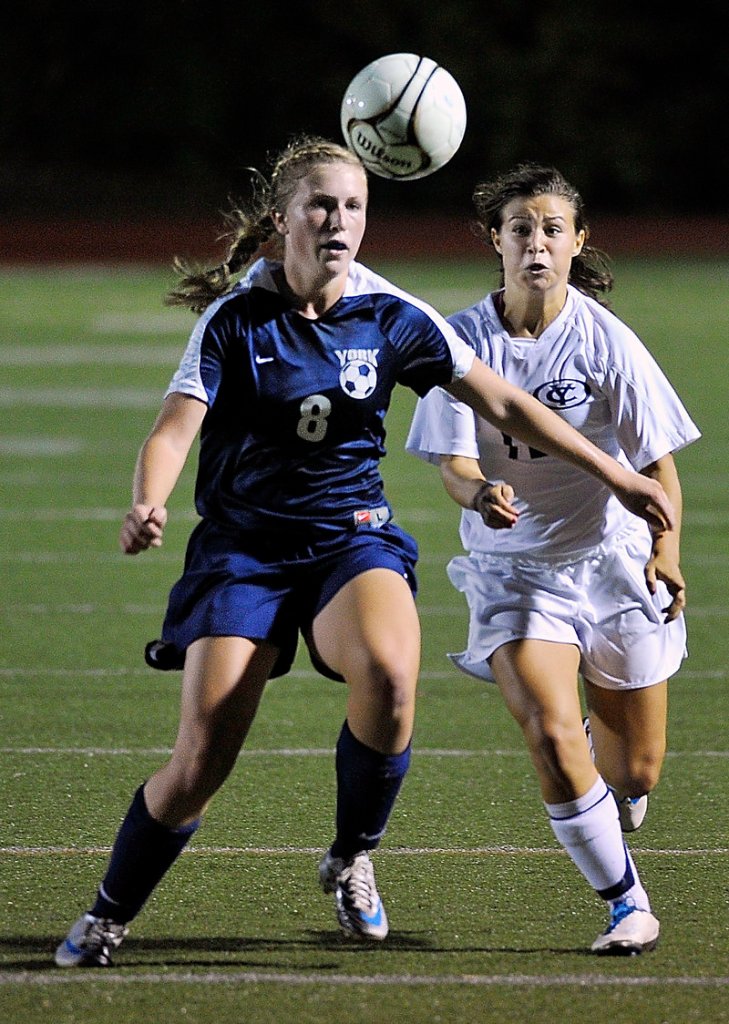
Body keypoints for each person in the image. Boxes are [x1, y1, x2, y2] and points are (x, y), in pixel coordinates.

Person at [54, 139, 677, 968]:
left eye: (352, 206)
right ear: (284, 222)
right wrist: (149, 498)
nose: (338, 220)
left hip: (350, 538)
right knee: (202, 757)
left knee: (389, 676)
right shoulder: (237, 318)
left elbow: (505, 402)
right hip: (244, 551)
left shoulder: (391, 315)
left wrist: (616, 475)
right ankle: (108, 912)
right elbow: (175, 425)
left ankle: (353, 855)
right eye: (321, 206)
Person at [406, 162, 700, 955]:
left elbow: (656, 463)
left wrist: (665, 551)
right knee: (546, 724)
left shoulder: (607, 341)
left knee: (635, 770)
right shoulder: (459, 341)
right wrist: (478, 498)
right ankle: (625, 903)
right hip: (515, 571)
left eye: (551, 229)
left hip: (611, 561)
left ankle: (615, 801)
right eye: (519, 229)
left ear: (578, 243)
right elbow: (454, 465)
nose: (535, 243)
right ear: (492, 242)